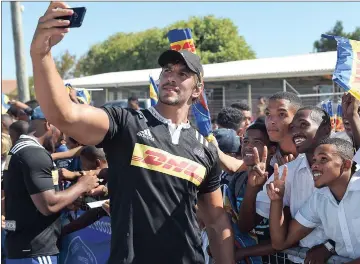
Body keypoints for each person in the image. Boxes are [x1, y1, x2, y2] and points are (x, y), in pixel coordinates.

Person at [30, 3, 233, 263]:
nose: (172, 77)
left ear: (197, 89)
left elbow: (217, 221)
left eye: (183, 74)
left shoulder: (204, 150)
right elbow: (64, 115)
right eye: (167, 71)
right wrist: (42, 53)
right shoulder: (127, 124)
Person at [268, 138, 360, 263]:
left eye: (323, 159)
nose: (314, 165)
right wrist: (277, 200)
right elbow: (280, 243)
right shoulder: (319, 198)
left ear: (346, 165)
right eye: (314, 160)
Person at [2, 106, 99, 263]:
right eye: (61, 129)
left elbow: (23, 199)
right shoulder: (34, 153)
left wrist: (68, 200)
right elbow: (48, 206)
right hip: (36, 250)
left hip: (23, 248)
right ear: (48, 124)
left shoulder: (18, 149)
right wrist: (82, 185)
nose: (62, 137)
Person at [241, 107, 333, 264]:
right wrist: (271, 197)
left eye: (303, 125)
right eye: (293, 128)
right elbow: (252, 228)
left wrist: (330, 247)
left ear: (325, 129)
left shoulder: (347, 169)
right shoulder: (284, 172)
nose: (296, 132)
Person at [223, 123, 276, 263]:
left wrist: (242, 252)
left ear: (272, 150)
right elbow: (238, 226)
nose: (248, 146)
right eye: (245, 141)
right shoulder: (238, 180)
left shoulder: (278, 179)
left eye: (257, 142)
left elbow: (283, 239)